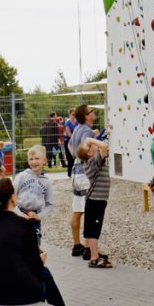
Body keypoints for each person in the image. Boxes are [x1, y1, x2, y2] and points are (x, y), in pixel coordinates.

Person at [0, 177, 67, 306]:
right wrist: (40, 260)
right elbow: (34, 264)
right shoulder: (24, 225)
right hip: (19, 293)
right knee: (44, 272)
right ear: (12, 197)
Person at [78, 138, 112, 268]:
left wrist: (90, 143)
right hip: (96, 201)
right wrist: (90, 139)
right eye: (89, 147)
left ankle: (94, 253)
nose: (92, 146)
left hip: (94, 201)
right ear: (89, 154)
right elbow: (104, 146)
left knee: (91, 229)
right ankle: (94, 258)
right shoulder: (94, 161)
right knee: (94, 231)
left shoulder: (90, 161)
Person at [67, 104, 96, 257]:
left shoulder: (77, 128)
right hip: (85, 173)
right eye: (92, 111)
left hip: (75, 172)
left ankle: (76, 245)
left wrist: (75, 156)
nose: (94, 112)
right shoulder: (86, 129)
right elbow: (86, 146)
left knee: (77, 210)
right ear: (86, 116)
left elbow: (70, 144)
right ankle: (88, 248)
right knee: (90, 211)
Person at [13, 144, 54, 240]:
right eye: (31, 159)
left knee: (35, 245)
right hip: (20, 217)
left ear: (44, 160)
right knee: (19, 244)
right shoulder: (21, 177)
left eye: (37, 158)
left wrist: (39, 216)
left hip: (35, 219)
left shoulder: (46, 181)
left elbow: (50, 204)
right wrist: (20, 214)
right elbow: (11, 197)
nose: (34, 162)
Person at [63, 108, 77, 177]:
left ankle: (76, 173)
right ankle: (69, 174)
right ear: (69, 114)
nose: (74, 116)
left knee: (76, 158)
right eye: (73, 114)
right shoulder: (67, 122)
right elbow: (69, 133)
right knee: (70, 159)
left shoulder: (78, 122)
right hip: (68, 141)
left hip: (76, 142)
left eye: (75, 114)